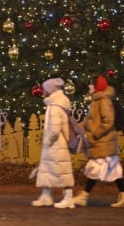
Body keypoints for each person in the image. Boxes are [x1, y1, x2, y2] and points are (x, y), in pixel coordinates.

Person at [73, 75, 124, 208]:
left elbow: (108, 121)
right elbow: (88, 120)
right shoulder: (96, 101)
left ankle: (84, 196)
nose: (89, 86)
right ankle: (123, 195)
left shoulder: (104, 101)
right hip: (102, 142)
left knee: (96, 167)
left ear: (97, 86)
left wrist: (94, 135)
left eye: (91, 84)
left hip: (103, 141)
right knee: (112, 169)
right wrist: (78, 130)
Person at [31, 77, 75, 209]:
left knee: (62, 172)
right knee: (48, 170)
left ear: (50, 91)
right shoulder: (57, 104)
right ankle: (46, 196)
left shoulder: (55, 106)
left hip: (56, 145)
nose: (43, 92)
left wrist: (48, 140)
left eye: (45, 89)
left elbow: (55, 129)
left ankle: (68, 198)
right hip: (56, 145)